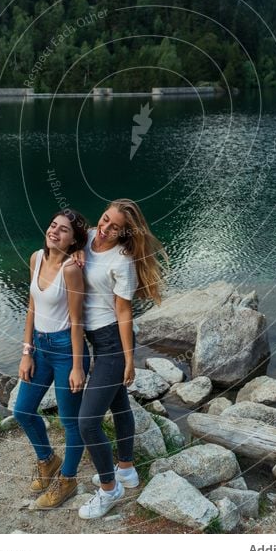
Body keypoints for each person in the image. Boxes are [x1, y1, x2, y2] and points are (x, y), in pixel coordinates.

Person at [76, 198, 167, 520]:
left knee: (87, 422)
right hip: (91, 339)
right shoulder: (85, 237)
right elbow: (55, 250)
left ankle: (108, 488)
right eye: (104, 219)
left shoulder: (123, 261)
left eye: (115, 227)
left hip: (111, 342)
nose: (105, 229)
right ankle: (126, 469)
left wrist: (130, 360)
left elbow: (124, 312)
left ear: (126, 232)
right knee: (119, 406)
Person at [13, 209, 90, 509]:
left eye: (64, 230)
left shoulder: (71, 269)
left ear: (74, 241)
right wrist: (26, 352)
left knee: (69, 422)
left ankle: (67, 480)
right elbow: (31, 308)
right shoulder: (36, 258)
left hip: (64, 349)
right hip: (40, 349)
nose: (55, 231)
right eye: (52, 225)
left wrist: (77, 365)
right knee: (22, 410)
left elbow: (76, 321)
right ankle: (48, 459)